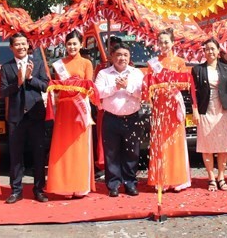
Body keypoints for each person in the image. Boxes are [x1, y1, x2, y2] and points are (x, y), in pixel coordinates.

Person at [46, 30, 98, 198]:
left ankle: (80, 185)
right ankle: (64, 185)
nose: (72, 47)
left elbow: (89, 87)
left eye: (75, 43)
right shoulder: (59, 64)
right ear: (65, 45)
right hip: (64, 110)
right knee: (63, 147)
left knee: (79, 147)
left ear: (81, 44)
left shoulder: (86, 63)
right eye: (69, 44)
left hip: (80, 109)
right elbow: (57, 88)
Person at [0, 32, 50, 204]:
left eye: (24, 44)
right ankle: (16, 190)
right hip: (16, 116)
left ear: (28, 45)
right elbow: (3, 91)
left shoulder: (38, 64)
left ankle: (39, 189)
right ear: (11, 48)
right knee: (15, 155)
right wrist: (18, 83)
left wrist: (30, 78)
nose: (21, 47)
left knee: (38, 154)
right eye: (17, 44)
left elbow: (46, 86)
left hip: (35, 115)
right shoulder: (7, 67)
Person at [143, 29, 191, 192]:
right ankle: (161, 179)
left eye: (166, 42)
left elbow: (185, 83)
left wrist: (171, 84)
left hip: (174, 105)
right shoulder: (152, 63)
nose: (164, 45)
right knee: (160, 142)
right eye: (161, 42)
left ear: (172, 43)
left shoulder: (179, 62)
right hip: (159, 107)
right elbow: (148, 85)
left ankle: (177, 179)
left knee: (175, 141)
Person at [94, 42, 144, 197]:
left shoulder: (136, 73)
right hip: (111, 118)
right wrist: (115, 87)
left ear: (129, 57)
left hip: (132, 118)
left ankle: (130, 183)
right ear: (112, 57)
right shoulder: (104, 74)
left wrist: (127, 86)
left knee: (132, 152)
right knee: (111, 153)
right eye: (119, 55)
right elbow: (98, 93)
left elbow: (143, 93)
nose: (122, 58)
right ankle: (113, 184)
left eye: (125, 55)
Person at [191, 38, 227, 191]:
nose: (210, 51)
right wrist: (195, 111)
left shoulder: (226, 68)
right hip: (205, 110)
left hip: (223, 110)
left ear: (218, 51)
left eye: (213, 49)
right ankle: (211, 178)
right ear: (204, 51)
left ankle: (221, 177)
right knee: (207, 146)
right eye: (207, 49)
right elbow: (193, 93)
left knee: (224, 145)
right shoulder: (197, 69)